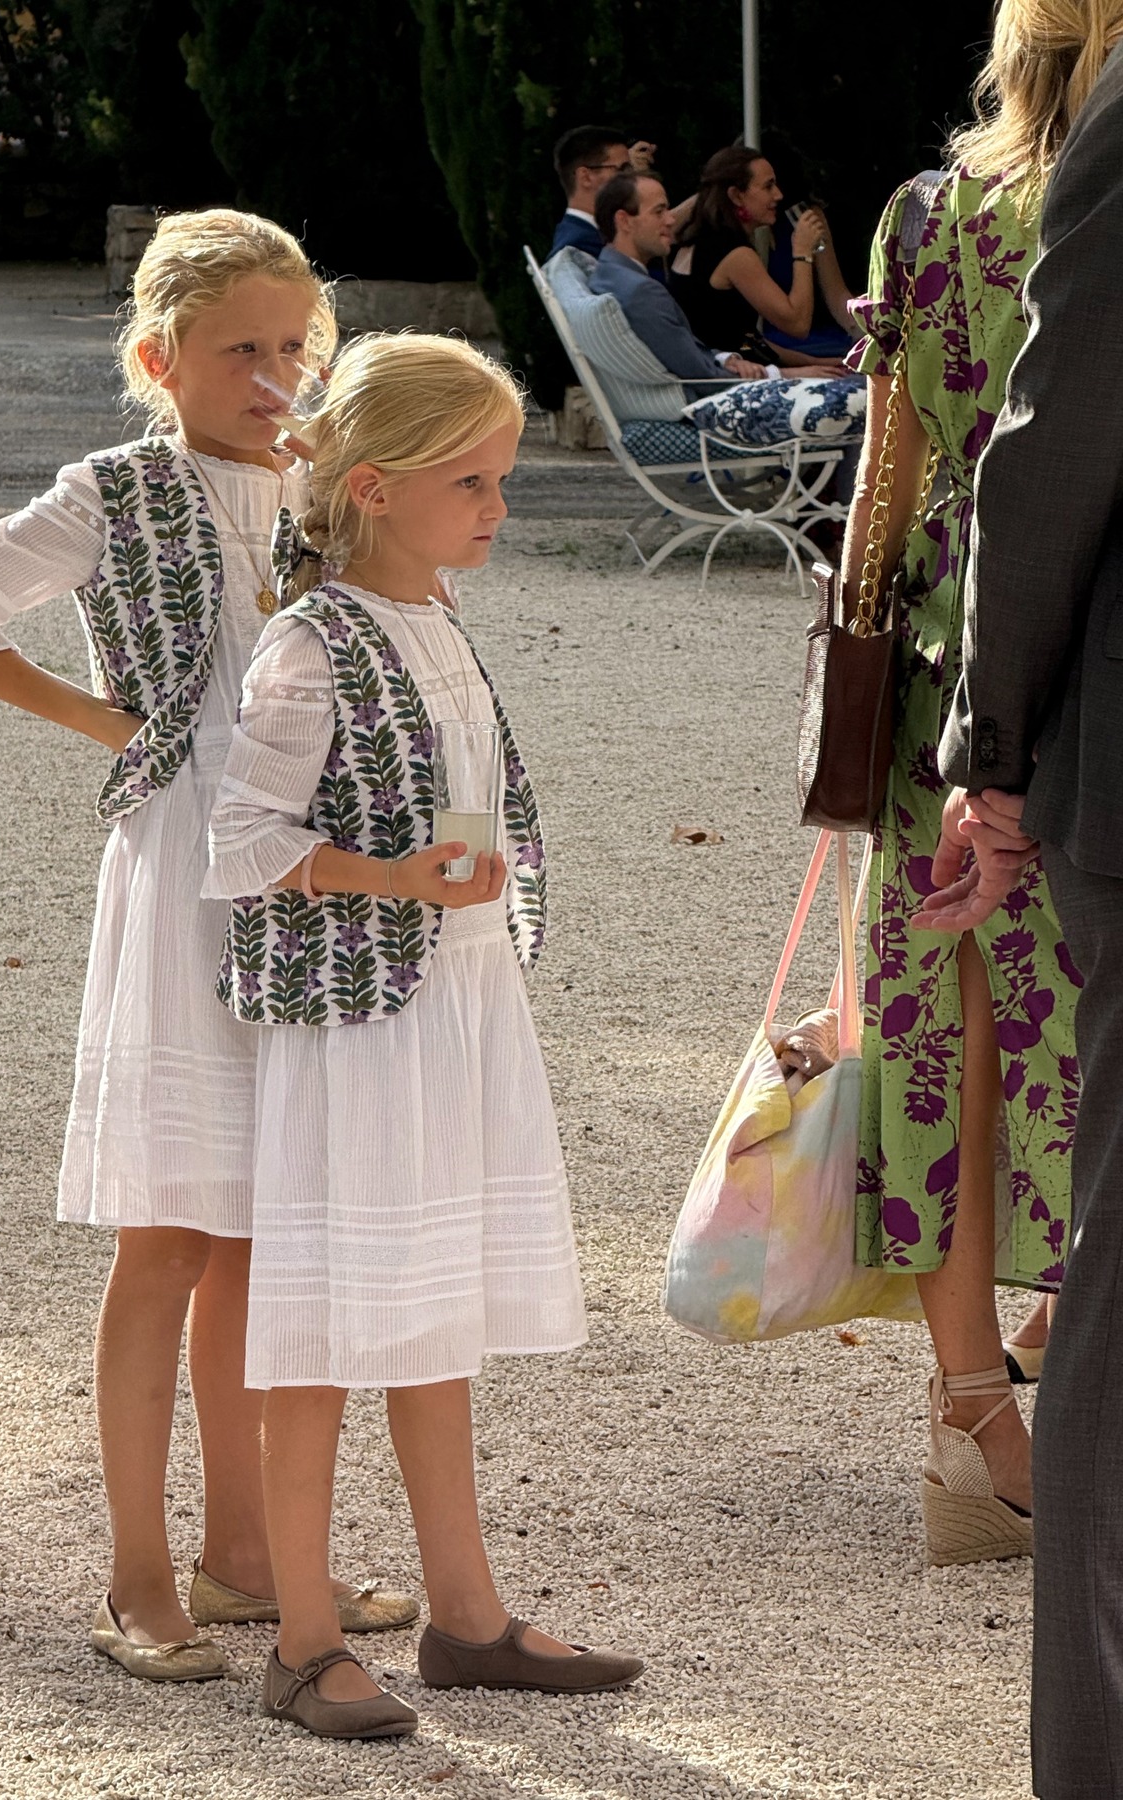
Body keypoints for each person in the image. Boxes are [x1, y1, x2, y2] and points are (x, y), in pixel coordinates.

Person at [0, 209, 416, 1684]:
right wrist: (118, 726)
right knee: (168, 1227)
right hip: (180, 878)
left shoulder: (323, 490)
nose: (276, 371)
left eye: (299, 344)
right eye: (242, 348)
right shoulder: (115, 492)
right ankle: (134, 1570)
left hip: (300, 876)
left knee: (255, 1221)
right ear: (160, 358)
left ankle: (247, 1556)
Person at [203, 333, 643, 1739]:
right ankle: (307, 1640)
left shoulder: (437, 618)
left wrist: (465, 876)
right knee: (330, 1328)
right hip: (356, 1031)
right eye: (476, 482)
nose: (498, 509)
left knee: (432, 1308)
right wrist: (392, 877)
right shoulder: (308, 644)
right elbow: (244, 841)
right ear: (379, 489)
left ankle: (466, 1618)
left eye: (502, 480)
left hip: (457, 1005)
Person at [836, 0, 1122, 1575]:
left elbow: (888, 466)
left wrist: (860, 675)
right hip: (1084, 636)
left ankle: (971, 1425)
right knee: (1088, 1016)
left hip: (945, 635)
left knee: (952, 1033)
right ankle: (1068, 1397)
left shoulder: (928, 214)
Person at [911, 3, 1123, 1790]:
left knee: (1101, 1238)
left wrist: (978, 732)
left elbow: (1008, 449)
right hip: (1081, 715)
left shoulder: (962, 202)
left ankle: (1101, 1753)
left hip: (1063, 703)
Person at [589, 171, 845, 389]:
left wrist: (725, 359)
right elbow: (703, 378)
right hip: (720, 402)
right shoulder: (642, 291)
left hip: (735, 368)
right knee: (857, 397)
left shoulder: (611, 273)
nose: (670, 219)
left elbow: (701, 352)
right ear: (623, 221)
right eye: (659, 211)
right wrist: (787, 374)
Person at [668, 146, 852, 366]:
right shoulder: (735, 255)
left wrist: (816, 362)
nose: (778, 195)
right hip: (726, 383)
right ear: (736, 196)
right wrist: (802, 253)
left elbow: (745, 341)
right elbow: (798, 324)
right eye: (768, 186)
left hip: (723, 370)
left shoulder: (698, 242)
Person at [548, 123, 651, 257]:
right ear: (586, 177)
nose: (632, 178)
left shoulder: (594, 233)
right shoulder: (579, 248)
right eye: (623, 169)